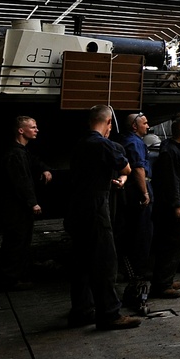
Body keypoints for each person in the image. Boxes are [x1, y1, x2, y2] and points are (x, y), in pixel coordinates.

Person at [66, 105, 141, 330]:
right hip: (96, 208)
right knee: (105, 261)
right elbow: (126, 169)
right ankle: (109, 314)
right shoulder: (103, 144)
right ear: (108, 123)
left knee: (81, 262)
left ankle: (82, 310)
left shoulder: (80, 144)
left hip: (76, 207)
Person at [0, 116, 51, 290]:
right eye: (33, 127)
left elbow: (34, 161)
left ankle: (14, 276)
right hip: (15, 208)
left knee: (20, 241)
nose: (37, 130)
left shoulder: (22, 151)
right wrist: (32, 203)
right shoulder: (15, 154)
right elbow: (21, 181)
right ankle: (8, 280)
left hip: (18, 207)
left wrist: (44, 168)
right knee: (15, 242)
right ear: (21, 130)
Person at [149, 116, 180, 300]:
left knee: (177, 244)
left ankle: (166, 279)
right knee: (170, 244)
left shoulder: (179, 149)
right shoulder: (170, 152)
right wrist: (177, 205)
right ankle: (161, 285)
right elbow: (171, 181)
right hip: (174, 207)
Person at [120, 112, 154, 310]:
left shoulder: (125, 140)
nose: (148, 126)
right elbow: (138, 169)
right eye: (145, 123)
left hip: (129, 189)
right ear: (135, 126)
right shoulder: (134, 143)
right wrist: (144, 193)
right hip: (138, 188)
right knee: (142, 232)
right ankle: (138, 272)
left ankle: (131, 268)